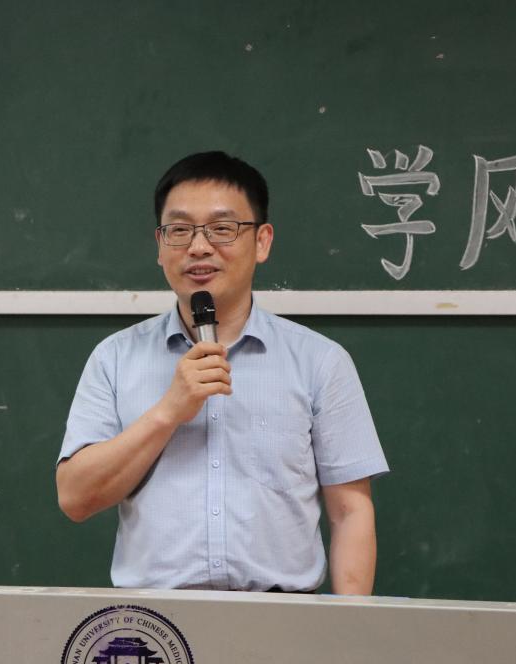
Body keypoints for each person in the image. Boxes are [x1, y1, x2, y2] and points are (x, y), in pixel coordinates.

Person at [56, 151, 388, 594]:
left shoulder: (320, 361)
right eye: (179, 230)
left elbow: (350, 513)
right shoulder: (114, 358)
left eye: (222, 228)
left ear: (262, 241)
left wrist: (347, 625)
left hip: (283, 617)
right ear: (160, 246)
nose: (199, 247)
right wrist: (169, 411)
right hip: (155, 624)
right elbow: (75, 498)